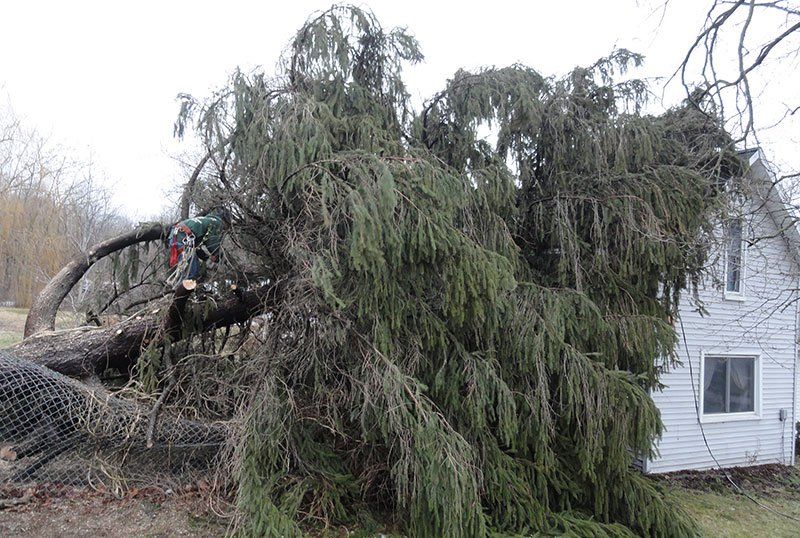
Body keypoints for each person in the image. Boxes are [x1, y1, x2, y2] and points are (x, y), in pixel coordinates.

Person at [166, 208, 230, 286]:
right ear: (225, 221)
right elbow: (212, 244)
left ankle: (180, 290)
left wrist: (206, 258)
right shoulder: (217, 223)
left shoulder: (207, 220)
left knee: (188, 271)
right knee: (192, 273)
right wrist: (219, 257)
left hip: (175, 237)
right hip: (182, 240)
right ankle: (181, 295)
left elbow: (198, 247)